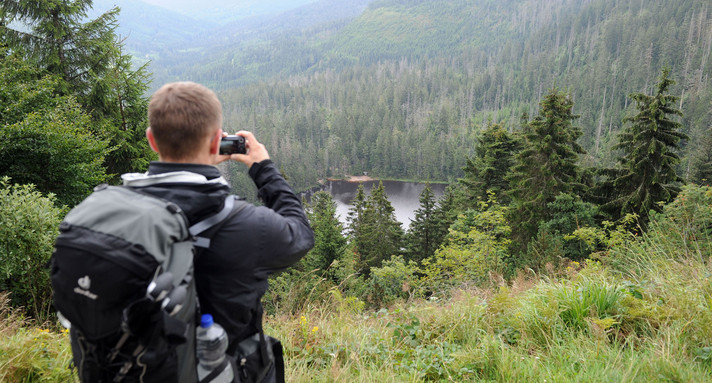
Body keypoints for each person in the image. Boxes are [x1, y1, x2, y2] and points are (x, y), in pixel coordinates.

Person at [131, 81, 314, 381]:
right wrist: (263, 167)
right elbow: (301, 234)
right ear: (218, 140)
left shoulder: (118, 213)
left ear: (152, 140)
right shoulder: (247, 225)